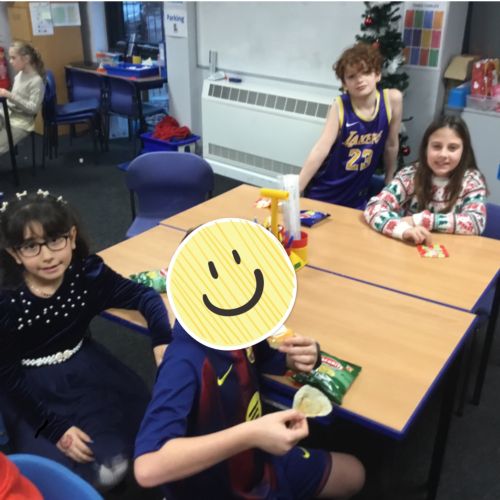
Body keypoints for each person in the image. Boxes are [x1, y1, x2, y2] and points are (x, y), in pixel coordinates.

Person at [0, 190, 172, 489]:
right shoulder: (7, 301)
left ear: (72, 237)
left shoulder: (85, 274)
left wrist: (161, 339)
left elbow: (143, 296)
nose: (48, 255)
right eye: (31, 247)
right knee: (56, 470)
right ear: (15, 254)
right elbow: (8, 376)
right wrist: (54, 429)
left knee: (133, 427)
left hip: (84, 366)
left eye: (56, 240)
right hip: (29, 386)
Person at [134, 322, 365, 499]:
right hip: (216, 486)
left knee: (354, 474)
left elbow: (262, 356)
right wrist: (251, 435)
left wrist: (296, 358)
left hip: (257, 461)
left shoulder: (239, 326)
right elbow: (148, 467)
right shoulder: (183, 361)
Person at [299, 43, 403, 209]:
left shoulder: (392, 100)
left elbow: (391, 144)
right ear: (345, 83)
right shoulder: (339, 106)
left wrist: (389, 179)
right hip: (326, 191)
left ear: (377, 74)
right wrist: (296, 188)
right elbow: (321, 148)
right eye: (352, 76)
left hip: (357, 194)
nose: (359, 80)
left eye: (366, 72)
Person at [363, 115, 487, 244]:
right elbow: (374, 207)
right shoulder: (410, 175)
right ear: (426, 148)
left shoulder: (472, 181)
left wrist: (419, 220)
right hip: (410, 248)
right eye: (436, 146)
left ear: (464, 151)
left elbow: (476, 221)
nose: (443, 154)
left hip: (453, 251)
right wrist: (403, 230)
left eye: (452, 148)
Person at [0, 41, 45, 155]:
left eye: (13, 58)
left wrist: (9, 95)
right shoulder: (19, 75)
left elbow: (33, 109)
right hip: (7, 114)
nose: (10, 61)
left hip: (21, 122)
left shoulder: (36, 81)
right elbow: (14, 100)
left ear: (26, 59)